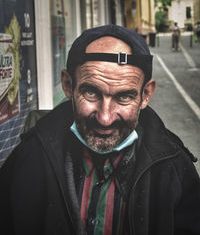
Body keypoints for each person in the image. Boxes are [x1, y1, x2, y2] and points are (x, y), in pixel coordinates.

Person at [0, 24, 200, 235]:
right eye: (91, 93)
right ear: (68, 86)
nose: (105, 118)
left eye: (124, 96)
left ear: (146, 95)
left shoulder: (174, 170)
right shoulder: (30, 158)